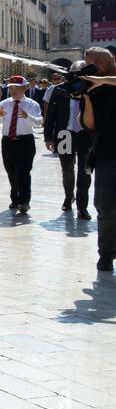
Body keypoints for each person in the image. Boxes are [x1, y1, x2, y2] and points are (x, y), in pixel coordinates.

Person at [80, 48, 116, 272]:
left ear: (109, 60)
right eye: (90, 64)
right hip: (106, 154)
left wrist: (102, 80)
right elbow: (90, 125)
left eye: (97, 63)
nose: (94, 67)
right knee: (105, 208)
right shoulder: (92, 88)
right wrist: (86, 98)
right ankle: (106, 254)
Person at [47, 60, 95, 219]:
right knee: (67, 168)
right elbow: (51, 116)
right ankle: (69, 197)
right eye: (76, 72)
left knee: (85, 171)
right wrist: (48, 137)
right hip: (65, 134)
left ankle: (82, 206)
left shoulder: (92, 88)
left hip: (85, 134)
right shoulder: (59, 89)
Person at [0, 75, 44, 215]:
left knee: (24, 172)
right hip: (8, 141)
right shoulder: (4, 103)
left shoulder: (32, 104)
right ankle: (15, 198)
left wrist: (27, 116)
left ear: (24, 88)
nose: (13, 91)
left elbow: (39, 121)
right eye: (11, 87)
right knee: (11, 172)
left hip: (25, 141)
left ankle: (24, 201)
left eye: (16, 88)